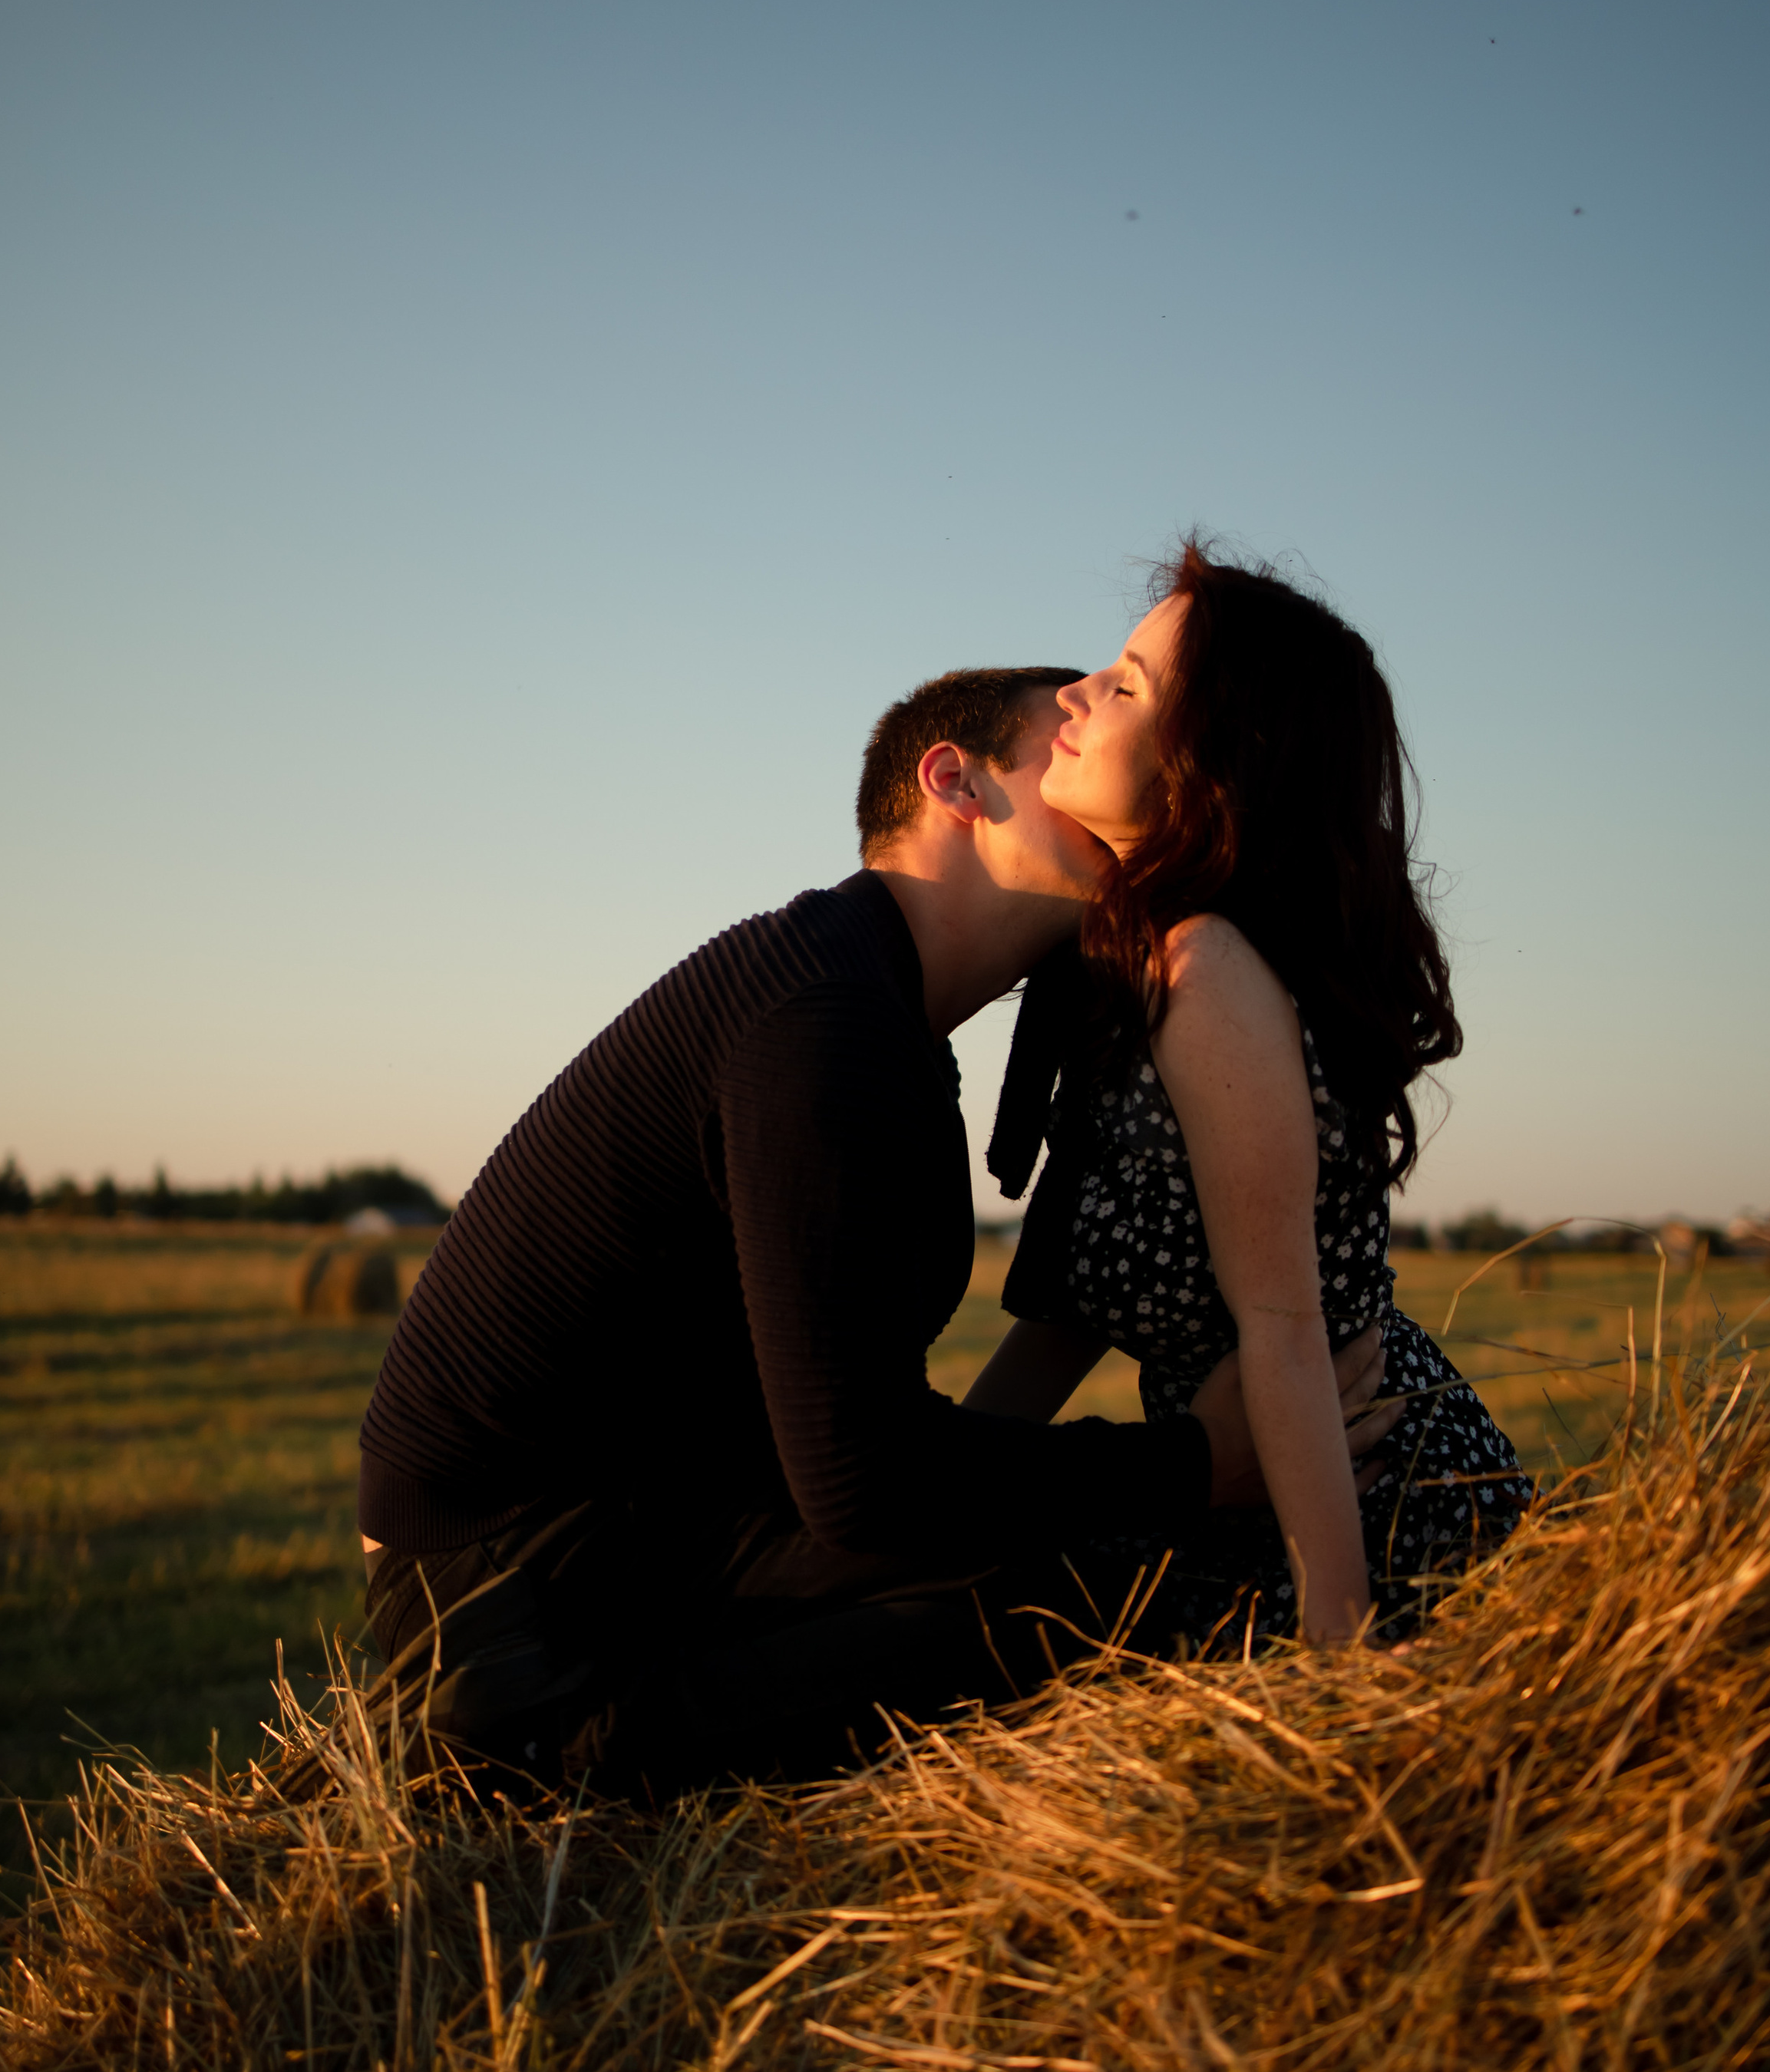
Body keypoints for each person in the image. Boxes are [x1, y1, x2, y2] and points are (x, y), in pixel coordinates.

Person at [356, 661, 1400, 1798]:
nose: (1112, 768)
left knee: (1080, 1573)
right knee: (1067, 1608)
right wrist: (1194, 1465)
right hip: (510, 1606)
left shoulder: (873, 1005)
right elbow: (863, 1480)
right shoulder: (822, 1017)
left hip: (624, 1532)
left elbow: (864, 1454)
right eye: (1059, 744)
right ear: (958, 782)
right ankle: (531, 1766)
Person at [967, 546, 1528, 1650]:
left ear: (1212, 766)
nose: (1075, 693)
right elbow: (1071, 1317)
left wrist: (1339, 1653)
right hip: (1227, 1497)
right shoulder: (1129, 968)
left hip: (1361, 1512)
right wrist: (911, 1504)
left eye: (1126, 687)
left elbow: (1282, 1327)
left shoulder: (1207, 966)